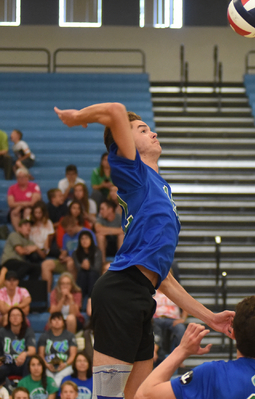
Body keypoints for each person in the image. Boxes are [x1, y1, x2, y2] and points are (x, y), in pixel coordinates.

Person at [55, 102, 235, 399]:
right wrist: (77, 118)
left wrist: (210, 317)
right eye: (142, 129)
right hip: (119, 294)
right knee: (108, 397)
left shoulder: (158, 186)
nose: (153, 133)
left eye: (150, 128)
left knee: (140, 396)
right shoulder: (132, 170)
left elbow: (163, 278)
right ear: (125, 144)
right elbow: (115, 110)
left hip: (142, 294)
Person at [42, 216, 87, 291]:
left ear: (75, 225)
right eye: (67, 231)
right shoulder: (66, 236)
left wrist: (73, 258)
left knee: (70, 263)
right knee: (45, 264)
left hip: (79, 261)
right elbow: (64, 251)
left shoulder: (86, 233)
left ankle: (72, 291)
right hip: (67, 260)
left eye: (70, 230)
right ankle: (48, 294)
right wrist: (62, 256)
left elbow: (90, 251)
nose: (69, 233)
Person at [38, 312, 77, 387]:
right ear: (50, 322)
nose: (56, 321)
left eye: (59, 319)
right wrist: (47, 365)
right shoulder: (44, 336)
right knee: (50, 382)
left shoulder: (70, 336)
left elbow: (73, 355)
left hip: (66, 366)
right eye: (54, 319)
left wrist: (65, 364)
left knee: (58, 381)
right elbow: (40, 355)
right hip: (48, 366)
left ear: (63, 322)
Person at [0, 307, 36, 386]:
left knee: (30, 364)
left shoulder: (28, 330)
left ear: (22, 318)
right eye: (12, 315)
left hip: (22, 363)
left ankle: (26, 390)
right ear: (9, 318)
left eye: (18, 315)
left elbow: (32, 350)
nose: (15, 317)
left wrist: (24, 354)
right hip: (7, 363)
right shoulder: (2, 331)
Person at [153, 289, 187, 361]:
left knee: (180, 328)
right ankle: (153, 353)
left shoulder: (175, 292)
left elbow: (186, 305)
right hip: (155, 319)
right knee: (151, 328)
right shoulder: (152, 291)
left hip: (173, 319)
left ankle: (180, 357)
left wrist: (183, 319)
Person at [71, 231, 102, 297]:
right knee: (82, 274)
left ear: (91, 239)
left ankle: (91, 298)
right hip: (82, 276)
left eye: (87, 238)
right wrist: (82, 266)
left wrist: (89, 266)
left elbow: (98, 268)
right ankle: (80, 299)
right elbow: (77, 266)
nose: (84, 241)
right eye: (82, 239)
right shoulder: (76, 253)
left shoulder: (97, 251)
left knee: (92, 274)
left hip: (94, 276)